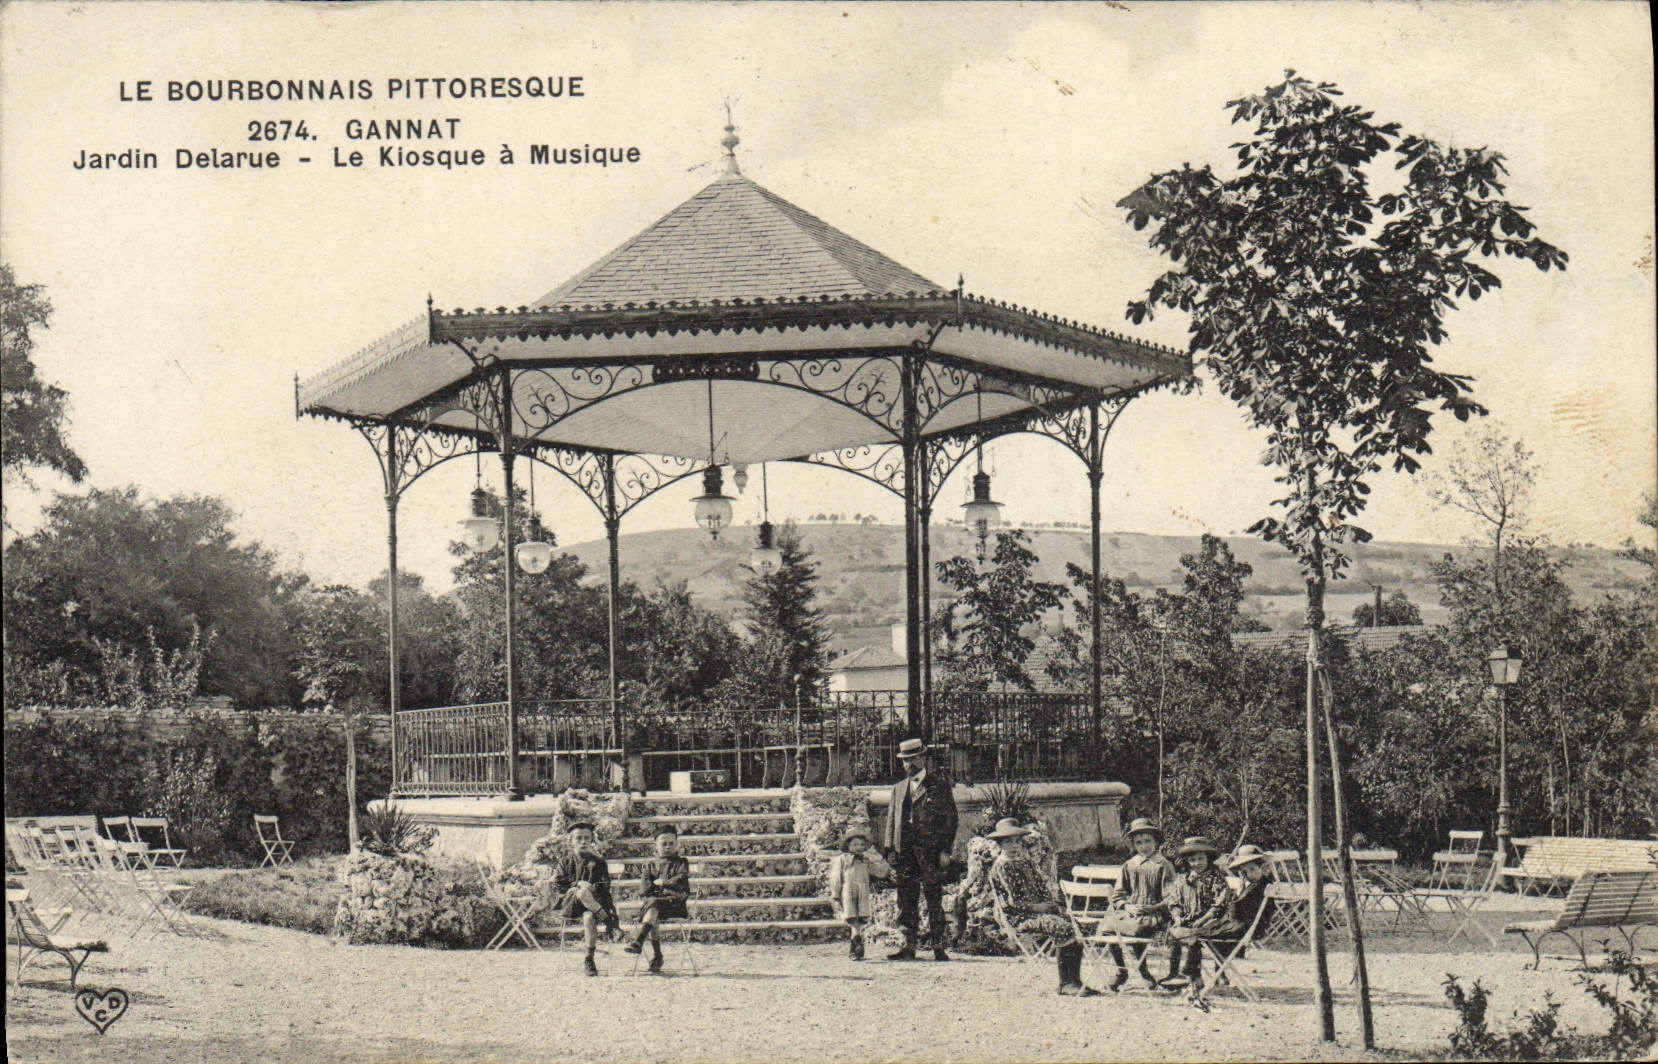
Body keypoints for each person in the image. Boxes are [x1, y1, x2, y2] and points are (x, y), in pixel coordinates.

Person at [985, 818, 1099, 997]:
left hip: (1040, 910)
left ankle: (1075, 980)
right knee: (1063, 928)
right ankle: (1065, 982)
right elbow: (1013, 902)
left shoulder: (1026, 862)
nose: (1014, 846)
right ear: (1000, 844)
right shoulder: (1002, 866)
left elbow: (1042, 888)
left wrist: (1050, 905)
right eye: (1008, 842)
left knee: (1077, 926)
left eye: (1017, 841)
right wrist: (1039, 908)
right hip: (1021, 916)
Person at [883, 738, 959, 961]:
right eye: (905, 760)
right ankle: (908, 945)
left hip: (931, 853)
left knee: (933, 897)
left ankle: (938, 945)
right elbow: (891, 820)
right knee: (906, 899)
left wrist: (946, 849)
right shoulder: (898, 789)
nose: (909, 764)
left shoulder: (939, 785)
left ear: (923, 758)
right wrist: (889, 849)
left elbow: (950, 820)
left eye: (913, 759)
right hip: (905, 853)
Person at [1166, 844, 1275, 998]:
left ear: (1262, 868)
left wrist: (1233, 903)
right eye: (1245, 871)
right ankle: (1191, 975)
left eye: (1252, 869)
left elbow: (1242, 911)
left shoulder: (1261, 887)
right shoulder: (1251, 885)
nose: (1249, 874)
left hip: (1244, 927)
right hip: (1239, 924)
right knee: (1195, 934)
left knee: (1196, 935)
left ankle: (1189, 974)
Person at [1098, 817, 1176, 991]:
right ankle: (1121, 970)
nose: (1144, 846)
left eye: (1148, 841)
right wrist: (1127, 906)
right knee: (1106, 928)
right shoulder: (1129, 865)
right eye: (1139, 842)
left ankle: (1145, 973)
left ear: (1156, 841)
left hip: (1153, 912)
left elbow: (1171, 897)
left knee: (1134, 929)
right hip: (1131, 910)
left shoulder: (1164, 865)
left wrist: (1153, 907)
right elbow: (1118, 894)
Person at [548, 821, 622, 977]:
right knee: (581, 893)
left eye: (587, 838)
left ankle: (589, 958)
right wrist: (576, 885)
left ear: (592, 841)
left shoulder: (599, 862)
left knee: (589, 917)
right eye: (579, 838)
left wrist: (591, 886)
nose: (583, 842)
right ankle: (610, 922)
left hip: (592, 904)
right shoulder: (565, 861)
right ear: (571, 841)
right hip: (571, 903)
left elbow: (605, 885)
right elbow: (559, 884)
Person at [1162, 836, 1229, 990]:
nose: (1197, 863)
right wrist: (1177, 916)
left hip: (1212, 918)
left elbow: (1219, 903)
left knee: (1195, 935)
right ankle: (1174, 973)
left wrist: (1205, 918)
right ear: (1186, 861)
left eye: (1201, 859)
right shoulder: (1182, 879)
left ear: (1208, 858)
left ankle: (1198, 974)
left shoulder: (1215, 877)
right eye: (1192, 860)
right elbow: (1175, 901)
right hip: (1189, 919)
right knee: (1175, 933)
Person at [623, 828, 690, 973]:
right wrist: (662, 887)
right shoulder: (650, 865)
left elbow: (680, 879)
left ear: (677, 844)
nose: (667, 847)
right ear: (656, 845)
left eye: (671, 843)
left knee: (652, 906)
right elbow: (644, 889)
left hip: (675, 904)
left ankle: (639, 941)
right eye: (663, 843)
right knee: (653, 907)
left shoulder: (682, 863)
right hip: (655, 904)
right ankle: (656, 955)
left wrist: (663, 883)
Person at [827, 824, 891, 960]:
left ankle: (856, 944)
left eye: (862, 845)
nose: (859, 847)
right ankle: (856, 943)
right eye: (855, 844)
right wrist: (835, 894)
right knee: (852, 918)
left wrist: (887, 864)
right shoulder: (842, 860)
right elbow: (836, 878)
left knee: (860, 918)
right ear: (848, 846)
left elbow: (880, 872)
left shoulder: (865, 861)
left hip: (862, 894)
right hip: (848, 893)